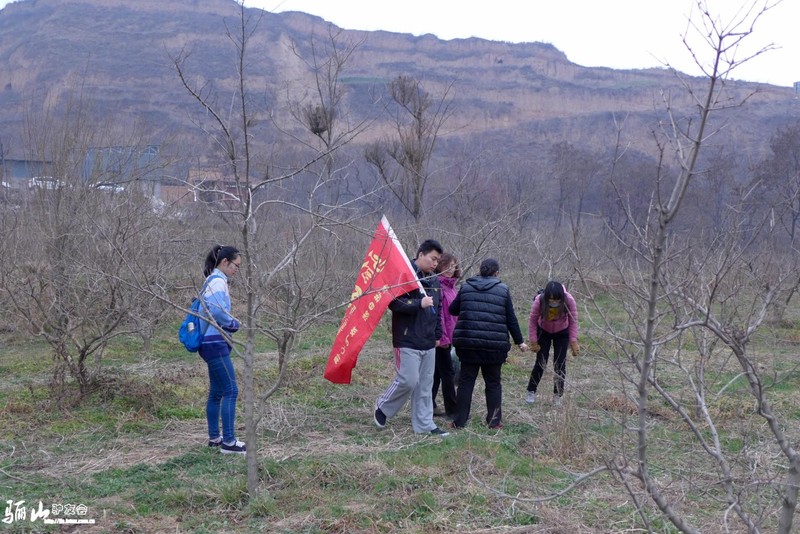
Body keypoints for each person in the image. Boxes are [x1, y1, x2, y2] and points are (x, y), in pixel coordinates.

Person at [374, 239, 450, 437]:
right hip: (407, 339)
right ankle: (383, 407)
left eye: (437, 260)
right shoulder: (404, 275)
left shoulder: (434, 280)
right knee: (408, 380)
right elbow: (394, 303)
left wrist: (438, 334)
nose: (435, 263)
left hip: (428, 340)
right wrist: (418, 303)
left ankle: (424, 424)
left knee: (425, 385)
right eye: (433, 259)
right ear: (421, 254)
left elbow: (437, 310)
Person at [449, 258, 528, 429]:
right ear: (496, 273)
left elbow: (452, 310)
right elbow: (511, 319)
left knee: (466, 382)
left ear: (480, 270)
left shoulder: (466, 287)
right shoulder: (503, 289)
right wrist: (520, 341)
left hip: (468, 343)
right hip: (494, 347)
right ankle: (494, 421)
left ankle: (459, 421)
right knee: (493, 383)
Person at [199, 245, 245, 455]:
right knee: (231, 390)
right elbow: (217, 312)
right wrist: (233, 323)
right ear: (225, 262)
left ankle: (214, 438)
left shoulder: (211, 281)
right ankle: (229, 442)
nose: (237, 269)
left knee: (217, 391)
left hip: (209, 342)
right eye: (236, 265)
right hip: (215, 342)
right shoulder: (218, 282)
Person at [526, 280, 580, 407]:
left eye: (556, 300)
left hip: (562, 332)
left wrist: (573, 341)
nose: (554, 302)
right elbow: (532, 321)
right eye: (551, 300)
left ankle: (557, 395)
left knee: (560, 365)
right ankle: (531, 391)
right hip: (543, 331)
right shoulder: (539, 300)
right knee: (541, 363)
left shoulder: (569, 300)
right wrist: (533, 341)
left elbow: (573, 321)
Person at [432, 253, 460, 418]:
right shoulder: (438, 286)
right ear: (439, 266)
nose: (450, 269)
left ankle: (429, 405)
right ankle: (453, 410)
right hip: (440, 338)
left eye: (453, 266)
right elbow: (439, 316)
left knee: (436, 373)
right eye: (447, 266)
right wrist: (442, 337)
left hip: (450, 336)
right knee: (448, 373)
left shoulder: (452, 287)